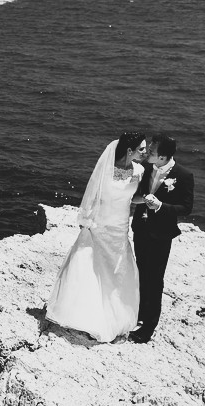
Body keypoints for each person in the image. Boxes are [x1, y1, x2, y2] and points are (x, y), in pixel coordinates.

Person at [46, 133, 148, 342]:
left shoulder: (139, 170)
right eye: (141, 149)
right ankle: (86, 313)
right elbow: (93, 193)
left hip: (120, 226)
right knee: (92, 267)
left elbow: (133, 198)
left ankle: (114, 312)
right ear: (129, 150)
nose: (145, 152)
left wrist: (146, 199)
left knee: (116, 269)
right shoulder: (106, 168)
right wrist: (87, 219)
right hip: (101, 224)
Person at [128, 133, 195, 344]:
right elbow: (136, 193)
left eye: (152, 151)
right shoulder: (146, 168)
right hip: (140, 229)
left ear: (163, 157)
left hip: (161, 234)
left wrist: (161, 206)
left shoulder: (184, 175)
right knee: (141, 272)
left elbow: (186, 208)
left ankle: (149, 326)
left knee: (155, 279)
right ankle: (139, 312)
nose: (147, 153)